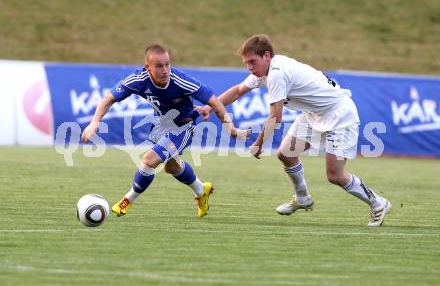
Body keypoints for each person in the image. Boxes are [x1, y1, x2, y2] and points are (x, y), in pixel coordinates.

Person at [197, 34, 391, 226]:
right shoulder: (264, 71)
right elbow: (238, 90)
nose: (249, 67)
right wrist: (209, 106)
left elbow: (276, 117)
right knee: (285, 154)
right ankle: (302, 198)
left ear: (266, 56)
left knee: (335, 176)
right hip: (313, 114)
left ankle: (378, 203)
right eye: (246, 63)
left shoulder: (277, 74)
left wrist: (258, 144)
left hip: (339, 115)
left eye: (252, 62)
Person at [82, 44, 248, 218]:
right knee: (171, 167)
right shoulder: (138, 79)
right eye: (159, 66)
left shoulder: (180, 80)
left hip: (183, 127)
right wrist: (95, 122)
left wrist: (231, 128)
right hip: (160, 125)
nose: (165, 70)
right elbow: (109, 98)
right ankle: (201, 190)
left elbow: (215, 102)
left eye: (167, 64)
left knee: (148, 160)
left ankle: (127, 200)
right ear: (148, 68)